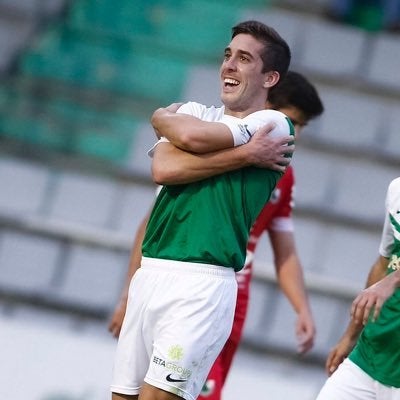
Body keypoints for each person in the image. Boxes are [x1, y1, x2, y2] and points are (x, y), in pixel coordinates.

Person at [108, 71, 324, 399]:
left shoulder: (281, 171)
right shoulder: (205, 148)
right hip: (179, 283)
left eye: (301, 127)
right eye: (292, 120)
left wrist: (302, 308)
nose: (294, 132)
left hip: (225, 297)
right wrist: (128, 296)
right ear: (267, 108)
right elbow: (151, 222)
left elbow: (286, 251)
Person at [315, 177, 400, 399]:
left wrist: (392, 281)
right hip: (370, 354)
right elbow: (383, 263)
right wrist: (350, 335)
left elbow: (387, 279)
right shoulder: (396, 190)